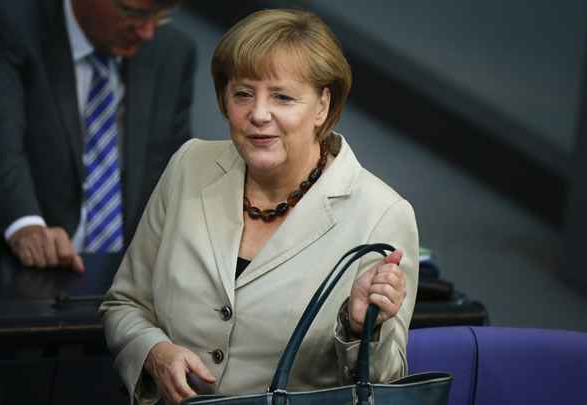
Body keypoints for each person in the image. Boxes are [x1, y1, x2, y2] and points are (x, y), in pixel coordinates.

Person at [100, 9, 418, 405]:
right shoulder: (189, 166)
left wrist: (358, 330)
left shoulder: (383, 214)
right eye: (243, 94)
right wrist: (154, 352)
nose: (258, 115)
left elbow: (385, 387)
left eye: (282, 97)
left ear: (322, 105)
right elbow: (124, 304)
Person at [0, 0, 196, 272]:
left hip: (126, 279)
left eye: (160, 15)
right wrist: (25, 225)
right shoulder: (6, 22)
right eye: (132, 12)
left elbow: (172, 173)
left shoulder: (172, 52)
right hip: (17, 270)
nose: (147, 31)